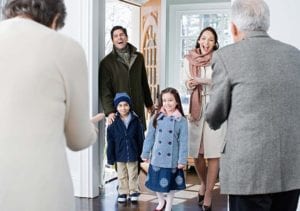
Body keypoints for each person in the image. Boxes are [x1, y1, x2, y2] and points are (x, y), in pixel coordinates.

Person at [0, 0, 104, 210]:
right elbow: (78, 139)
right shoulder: (66, 48)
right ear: (55, 18)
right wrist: (90, 126)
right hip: (41, 190)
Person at [205, 0, 300, 210]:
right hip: (291, 169)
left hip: (249, 173)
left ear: (234, 27)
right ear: (267, 23)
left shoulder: (226, 56)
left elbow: (214, 115)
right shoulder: (295, 55)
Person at [184, 26, 226, 210]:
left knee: (214, 153)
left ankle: (208, 192)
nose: (206, 43)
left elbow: (222, 81)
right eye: (203, 38)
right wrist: (189, 83)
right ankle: (203, 182)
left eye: (210, 39)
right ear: (198, 40)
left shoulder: (221, 59)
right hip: (196, 110)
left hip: (216, 108)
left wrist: (201, 81)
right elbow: (184, 82)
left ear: (215, 43)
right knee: (197, 154)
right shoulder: (188, 59)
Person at [141, 87, 188, 211]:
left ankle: (169, 205)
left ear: (177, 101)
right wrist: (145, 153)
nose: (167, 103)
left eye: (170, 100)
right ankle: (161, 200)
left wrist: (182, 160)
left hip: (172, 159)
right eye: (164, 100)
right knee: (156, 182)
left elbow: (183, 142)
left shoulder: (181, 121)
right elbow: (149, 137)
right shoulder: (156, 118)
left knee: (171, 185)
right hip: (157, 157)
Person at [99, 25, 154, 130]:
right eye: (116, 36)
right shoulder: (106, 63)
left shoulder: (139, 58)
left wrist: (149, 104)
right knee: (123, 141)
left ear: (127, 37)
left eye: (121, 35)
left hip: (137, 107)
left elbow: (143, 82)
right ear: (113, 40)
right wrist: (110, 111)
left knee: (139, 140)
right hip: (120, 110)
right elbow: (105, 90)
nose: (119, 38)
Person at [106, 92, 144, 203]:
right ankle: (123, 192)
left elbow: (140, 139)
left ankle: (133, 191)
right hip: (119, 154)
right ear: (116, 107)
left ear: (129, 105)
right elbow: (110, 141)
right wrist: (110, 157)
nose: (123, 108)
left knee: (133, 174)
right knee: (122, 174)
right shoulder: (113, 124)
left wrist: (142, 154)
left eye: (126, 105)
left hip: (133, 153)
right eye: (120, 105)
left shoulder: (136, 121)